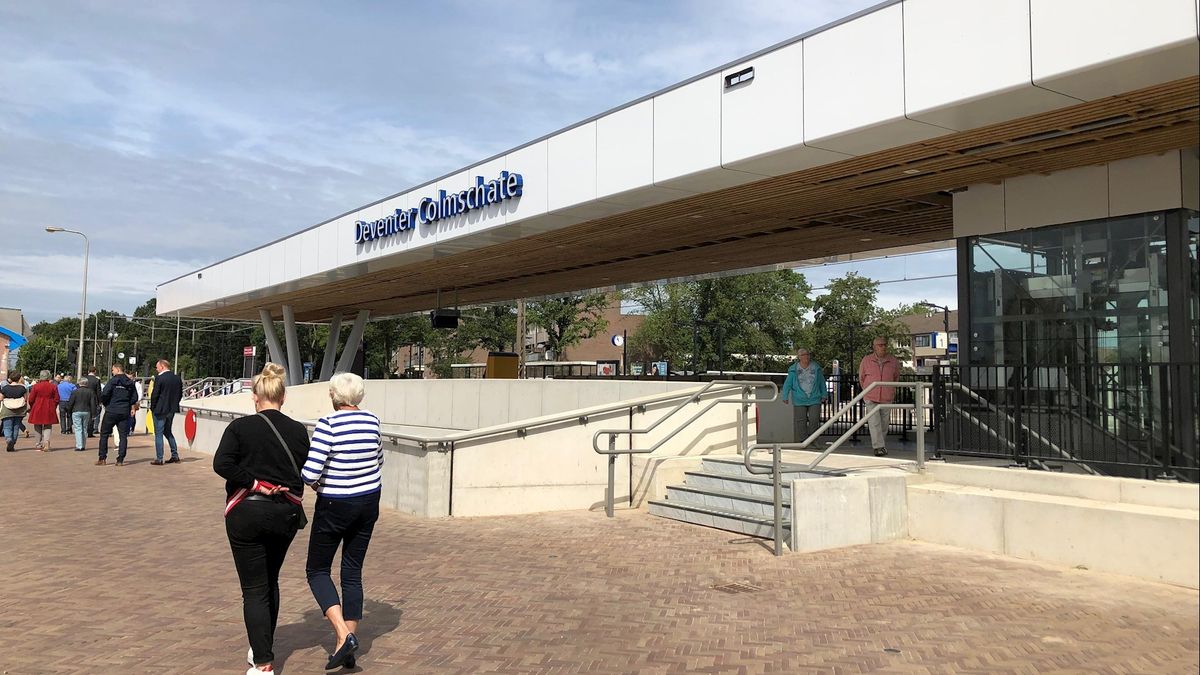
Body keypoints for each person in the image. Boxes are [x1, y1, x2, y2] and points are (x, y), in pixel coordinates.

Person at [213, 363, 309, 674]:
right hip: (285, 513)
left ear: (255, 397)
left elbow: (222, 464)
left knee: (254, 589)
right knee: (270, 581)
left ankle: (264, 662)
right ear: (283, 397)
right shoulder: (298, 431)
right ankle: (261, 645)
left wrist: (254, 483)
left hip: (247, 512)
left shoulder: (240, 428)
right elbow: (305, 472)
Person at [302, 372, 383, 671]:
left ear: (333, 396)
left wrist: (316, 481)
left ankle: (342, 633)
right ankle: (346, 646)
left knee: (317, 570)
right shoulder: (372, 421)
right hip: (368, 500)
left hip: (335, 504)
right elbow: (379, 459)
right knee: (352, 571)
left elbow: (310, 473)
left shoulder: (328, 424)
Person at [859, 336, 900, 457]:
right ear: (874, 347)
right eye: (880, 345)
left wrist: (891, 390)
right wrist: (866, 391)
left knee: (884, 423)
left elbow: (896, 377)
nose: (883, 347)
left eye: (885, 344)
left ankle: (881, 445)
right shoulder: (866, 360)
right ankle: (878, 447)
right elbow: (861, 378)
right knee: (874, 422)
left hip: (886, 397)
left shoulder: (893, 361)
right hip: (871, 396)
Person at [781, 347, 828, 445]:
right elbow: (788, 384)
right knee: (800, 421)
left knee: (814, 419)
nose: (806, 357)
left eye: (807, 354)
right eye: (803, 355)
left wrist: (824, 394)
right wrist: (785, 396)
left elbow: (821, 382)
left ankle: (814, 439)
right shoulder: (794, 369)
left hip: (814, 398)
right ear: (799, 357)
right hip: (799, 398)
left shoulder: (816, 368)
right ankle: (803, 441)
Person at [97, 363, 139, 466]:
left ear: (117, 369)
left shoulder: (113, 381)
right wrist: (129, 405)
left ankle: (102, 458)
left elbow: (105, 394)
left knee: (104, 434)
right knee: (123, 435)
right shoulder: (130, 382)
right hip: (124, 411)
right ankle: (120, 459)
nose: (112, 372)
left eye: (113, 370)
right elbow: (134, 397)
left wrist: (106, 403)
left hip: (111, 410)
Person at [150, 359, 183, 465]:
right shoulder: (177, 378)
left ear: (162, 366)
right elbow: (180, 394)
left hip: (160, 409)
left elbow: (155, 394)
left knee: (159, 433)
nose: (156, 369)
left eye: (157, 367)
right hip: (171, 409)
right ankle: (175, 455)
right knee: (168, 431)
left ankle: (159, 458)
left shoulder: (159, 378)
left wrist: (153, 407)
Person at [27, 370, 59, 452]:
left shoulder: (36, 386)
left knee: (37, 425)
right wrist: (53, 406)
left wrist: (32, 406)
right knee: (48, 425)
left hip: (37, 406)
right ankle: (46, 441)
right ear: (48, 377)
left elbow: (31, 399)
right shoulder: (53, 386)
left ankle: (38, 444)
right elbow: (57, 399)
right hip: (49, 407)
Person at [67, 378, 97, 452]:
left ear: (79, 383)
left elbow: (71, 403)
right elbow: (93, 403)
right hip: (87, 411)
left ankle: (79, 445)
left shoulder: (75, 392)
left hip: (76, 411)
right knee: (84, 428)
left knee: (78, 428)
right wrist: (93, 414)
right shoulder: (91, 392)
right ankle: (83, 445)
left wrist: (68, 411)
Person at [1, 372, 27, 452]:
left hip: (7, 410)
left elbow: (1, 398)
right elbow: (26, 399)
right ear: (19, 379)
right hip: (19, 410)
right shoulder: (22, 388)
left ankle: (8, 439)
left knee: (7, 427)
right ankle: (13, 443)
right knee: (16, 427)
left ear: (10, 379)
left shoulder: (5, 388)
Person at [83, 367, 102, 437]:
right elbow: (98, 392)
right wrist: (100, 401)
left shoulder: (84, 379)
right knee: (92, 415)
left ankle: (84, 430)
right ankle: (90, 432)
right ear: (95, 371)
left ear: (88, 371)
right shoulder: (96, 380)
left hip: (83, 398)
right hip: (93, 399)